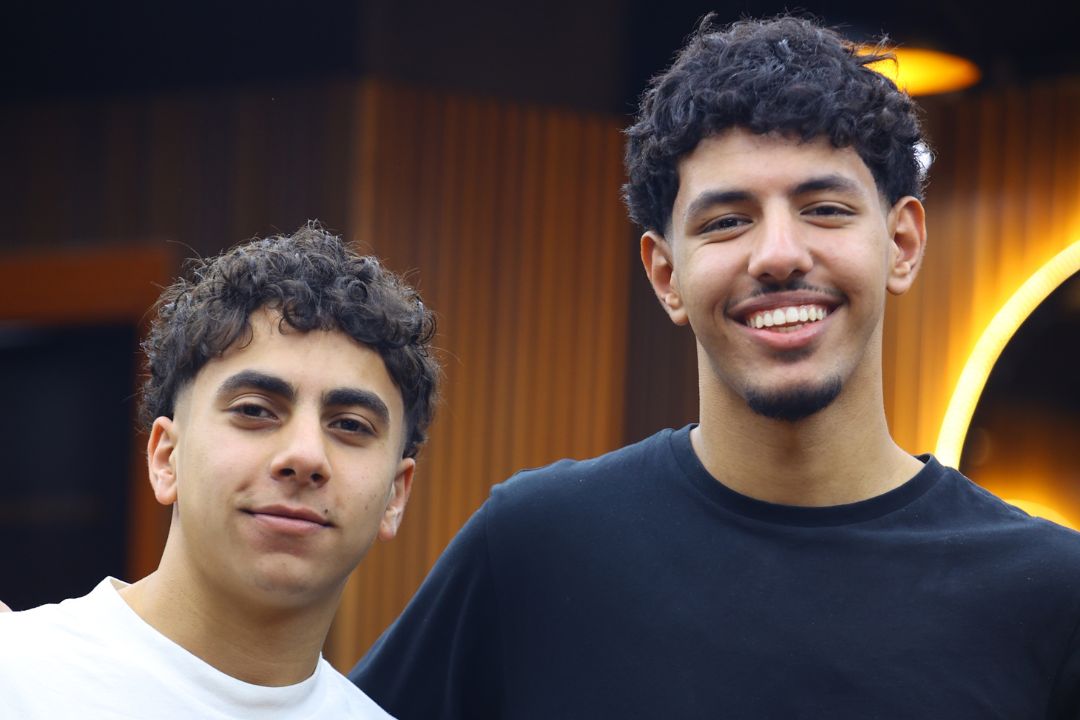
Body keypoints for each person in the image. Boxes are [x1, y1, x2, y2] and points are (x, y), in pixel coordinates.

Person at [349, 14, 1080, 719]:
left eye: (825, 208)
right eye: (728, 221)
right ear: (666, 275)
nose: (779, 254)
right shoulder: (537, 548)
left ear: (903, 244)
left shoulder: (1049, 594)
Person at [0, 223, 439, 718]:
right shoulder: (17, 677)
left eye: (350, 425)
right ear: (166, 458)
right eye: (255, 410)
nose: (305, 456)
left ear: (395, 496)